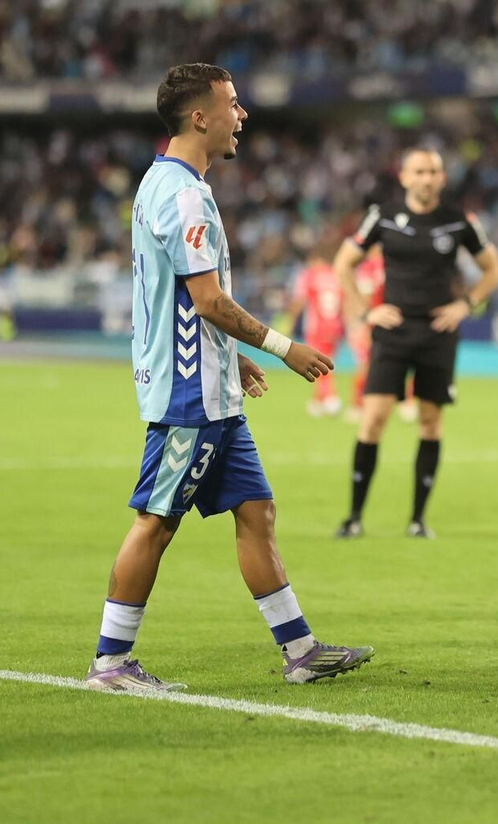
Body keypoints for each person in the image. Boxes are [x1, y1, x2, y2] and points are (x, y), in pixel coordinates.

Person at [87, 63, 371, 692]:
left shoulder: (165, 182)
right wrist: (281, 348)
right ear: (201, 116)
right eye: (233, 104)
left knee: (256, 510)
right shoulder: (184, 194)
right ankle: (109, 664)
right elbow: (209, 301)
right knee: (156, 522)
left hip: (208, 382)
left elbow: (180, 302)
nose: (242, 115)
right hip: (190, 392)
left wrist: (229, 357)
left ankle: (301, 651)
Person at [333, 149, 498, 539]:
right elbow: (344, 263)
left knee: (430, 423)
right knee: (373, 419)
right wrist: (365, 313)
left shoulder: (458, 221)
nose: (427, 178)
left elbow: (493, 269)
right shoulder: (384, 216)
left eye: (434, 172)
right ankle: (354, 517)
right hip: (392, 332)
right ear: (405, 177)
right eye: (420, 171)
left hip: (437, 334)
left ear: (442, 178)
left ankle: (417, 520)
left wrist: (465, 304)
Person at [287, 241, 346, 417]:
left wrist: (290, 322)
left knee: (318, 363)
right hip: (334, 325)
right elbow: (344, 300)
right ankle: (319, 400)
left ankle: (331, 398)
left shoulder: (310, 275)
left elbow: (300, 300)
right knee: (324, 361)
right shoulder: (336, 274)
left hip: (316, 326)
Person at [345, 249, 386, 420]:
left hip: (372, 320)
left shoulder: (369, 267)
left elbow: (362, 297)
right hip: (389, 319)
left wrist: (358, 322)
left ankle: (358, 404)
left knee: (365, 363)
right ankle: (408, 403)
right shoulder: (392, 264)